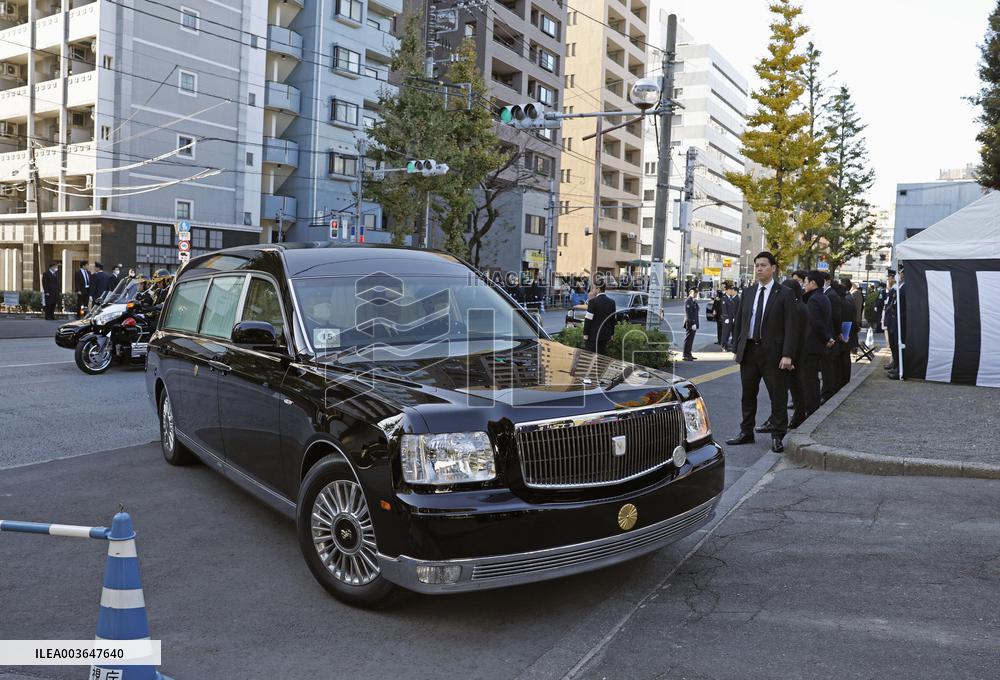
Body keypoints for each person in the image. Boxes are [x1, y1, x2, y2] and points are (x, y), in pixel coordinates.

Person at [726, 251, 797, 453]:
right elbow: (740, 321)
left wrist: (787, 354)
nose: (759, 269)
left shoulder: (784, 293)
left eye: (763, 265)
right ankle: (746, 432)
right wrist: (736, 348)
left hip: (773, 354)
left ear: (773, 268)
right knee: (748, 395)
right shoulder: (748, 292)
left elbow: (791, 326)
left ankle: (777, 435)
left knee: (778, 395)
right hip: (749, 351)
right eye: (756, 265)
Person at [802, 271, 835, 416]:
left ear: (813, 283)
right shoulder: (824, 297)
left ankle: (811, 409)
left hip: (812, 345)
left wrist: (826, 338)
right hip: (818, 345)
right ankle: (812, 407)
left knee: (809, 379)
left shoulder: (814, 299)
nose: (804, 285)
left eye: (805, 282)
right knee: (813, 378)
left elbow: (816, 323)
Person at [820, 272, 843, 403]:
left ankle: (827, 392)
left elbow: (835, 318)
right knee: (826, 366)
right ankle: (826, 391)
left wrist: (836, 333)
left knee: (828, 366)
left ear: (827, 281)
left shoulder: (831, 296)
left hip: (830, 335)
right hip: (830, 335)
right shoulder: (828, 294)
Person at [582, 282, 616, 355]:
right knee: (602, 357)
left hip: (593, 336)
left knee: (591, 358)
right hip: (605, 336)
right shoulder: (612, 302)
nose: (593, 290)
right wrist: (612, 334)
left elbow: (588, 319)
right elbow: (612, 320)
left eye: (594, 288)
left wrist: (585, 334)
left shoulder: (593, 302)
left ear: (598, 289)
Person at [832, 280, 854, 389]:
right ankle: (846, 379)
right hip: (848, 330)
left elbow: (836, 318)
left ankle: (839, 380)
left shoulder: (838, 303)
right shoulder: (849, 302)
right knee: (846, 356)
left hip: (840, 331)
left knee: (838, 358)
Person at [887, 267, 905, 380]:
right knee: (894, 344)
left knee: (899, 345)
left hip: (901, 320)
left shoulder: (904, 287)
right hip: (895, 319)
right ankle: (897, 366)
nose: (899, 275)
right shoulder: (898, 287)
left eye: (900, 273)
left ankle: (899, 367)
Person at [883, 270, 899, 372]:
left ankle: (896, 364)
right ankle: (894, 362)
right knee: (892, 344)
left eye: (889, 278)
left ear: (893, 278)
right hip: (889, 320)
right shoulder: (891, 290)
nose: (888, 280)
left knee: (894, 344)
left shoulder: (895, 289)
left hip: (893, 321)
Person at [720, 285, 739, 351]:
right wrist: (726, 317)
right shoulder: (724, 298)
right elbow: (724, 309)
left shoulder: (730, 298)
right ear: (727, 291)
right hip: (726, 319)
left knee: (728, 333)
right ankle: (723, 346)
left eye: (731, 290)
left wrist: (733, 317)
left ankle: (726, 345)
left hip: (731, 318)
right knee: (725, 333)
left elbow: (732, 309)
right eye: (730, 290)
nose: (731, 291)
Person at [682, 288, 699, 361]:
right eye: (695, 293)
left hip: (694, 323)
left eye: (696, 293)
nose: (696, 294)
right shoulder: (688, 301)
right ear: (691, 292)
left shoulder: (693, 301)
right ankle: (685, 355)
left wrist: (695, 302)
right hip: (690, 323)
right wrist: (692, 323)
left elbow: (697, 310)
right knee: (688, 339)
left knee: (691, 339)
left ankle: (689, 354)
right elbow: (688, 314)